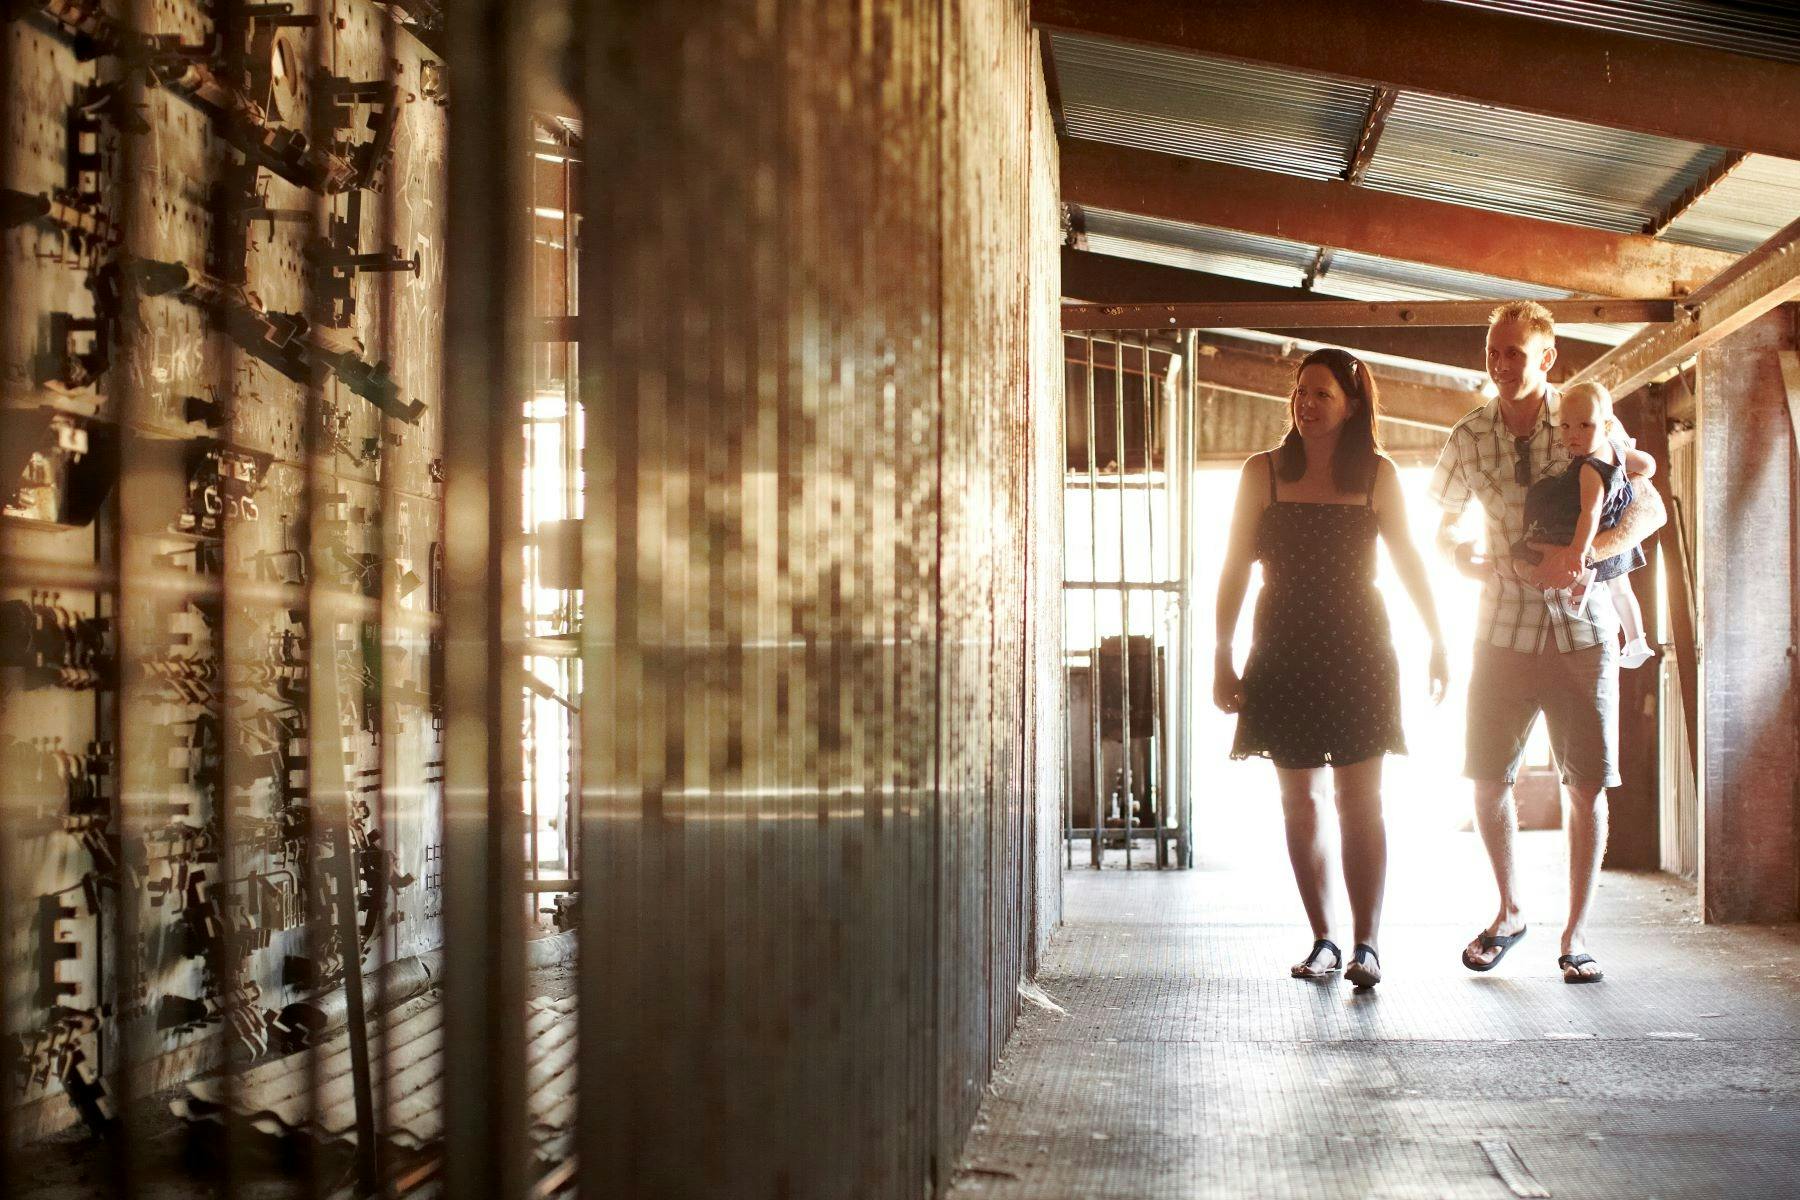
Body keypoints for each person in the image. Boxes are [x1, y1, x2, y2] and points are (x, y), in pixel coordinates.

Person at [1430, 301, 1666, 984]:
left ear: (1547, 357)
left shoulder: (1587, 415)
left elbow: (1645, 504)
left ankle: (1576, 935)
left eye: (1516, 352)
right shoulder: (1468, 434)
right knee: (1484, 779)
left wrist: (1590, 556)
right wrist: (1463, 560)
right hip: (1499, 626)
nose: (1503, 364)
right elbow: (1438, 525)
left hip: (1583, 632)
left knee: (1586, 786)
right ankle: (1509, 912)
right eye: (1494, 351)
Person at [1215, 346, 1449, 990]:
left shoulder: (1378, 475)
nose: (1307, 405)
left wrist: (1437, 637)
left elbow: (1409, 561)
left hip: (1359, 647)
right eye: (1301, 393)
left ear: (1351, 405)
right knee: (1299, 801)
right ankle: (1322, 937)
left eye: (1322, 394)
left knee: (1360, 800)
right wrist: (1220, 654)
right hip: (1281, 648)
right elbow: (1234, 567)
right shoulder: (1261, 472)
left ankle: (1367, 945)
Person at [1511, 381, 1655, 668]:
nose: (1573, 435)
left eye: (1585, 426)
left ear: (1607, 425)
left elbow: (1588, 512)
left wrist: (1578, 550)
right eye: (1565, 427)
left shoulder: (1589, 468)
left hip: (1583, 533)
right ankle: (1636, 639)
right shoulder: (1617, 450)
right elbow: (1648, 465)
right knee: (1621, 588)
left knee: (1520, 555)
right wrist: (1629, 477)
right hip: (1611, 530)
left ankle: (1550, 580)